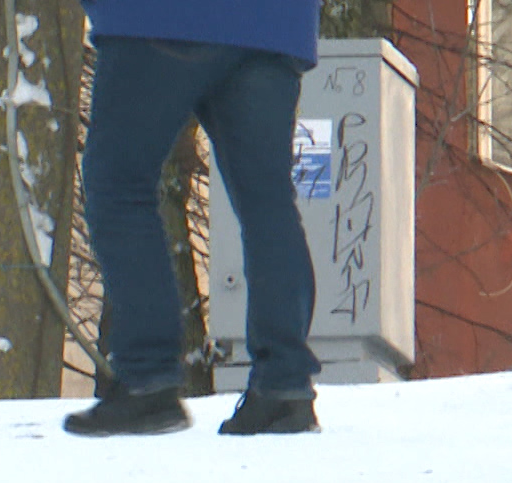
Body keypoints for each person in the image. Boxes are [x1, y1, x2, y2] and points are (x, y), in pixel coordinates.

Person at [64, 1, 324, 437]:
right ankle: (283, 385)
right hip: (275, 22)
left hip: (160, 17)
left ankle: (148, 378)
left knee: (118, 182)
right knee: (267, 199)